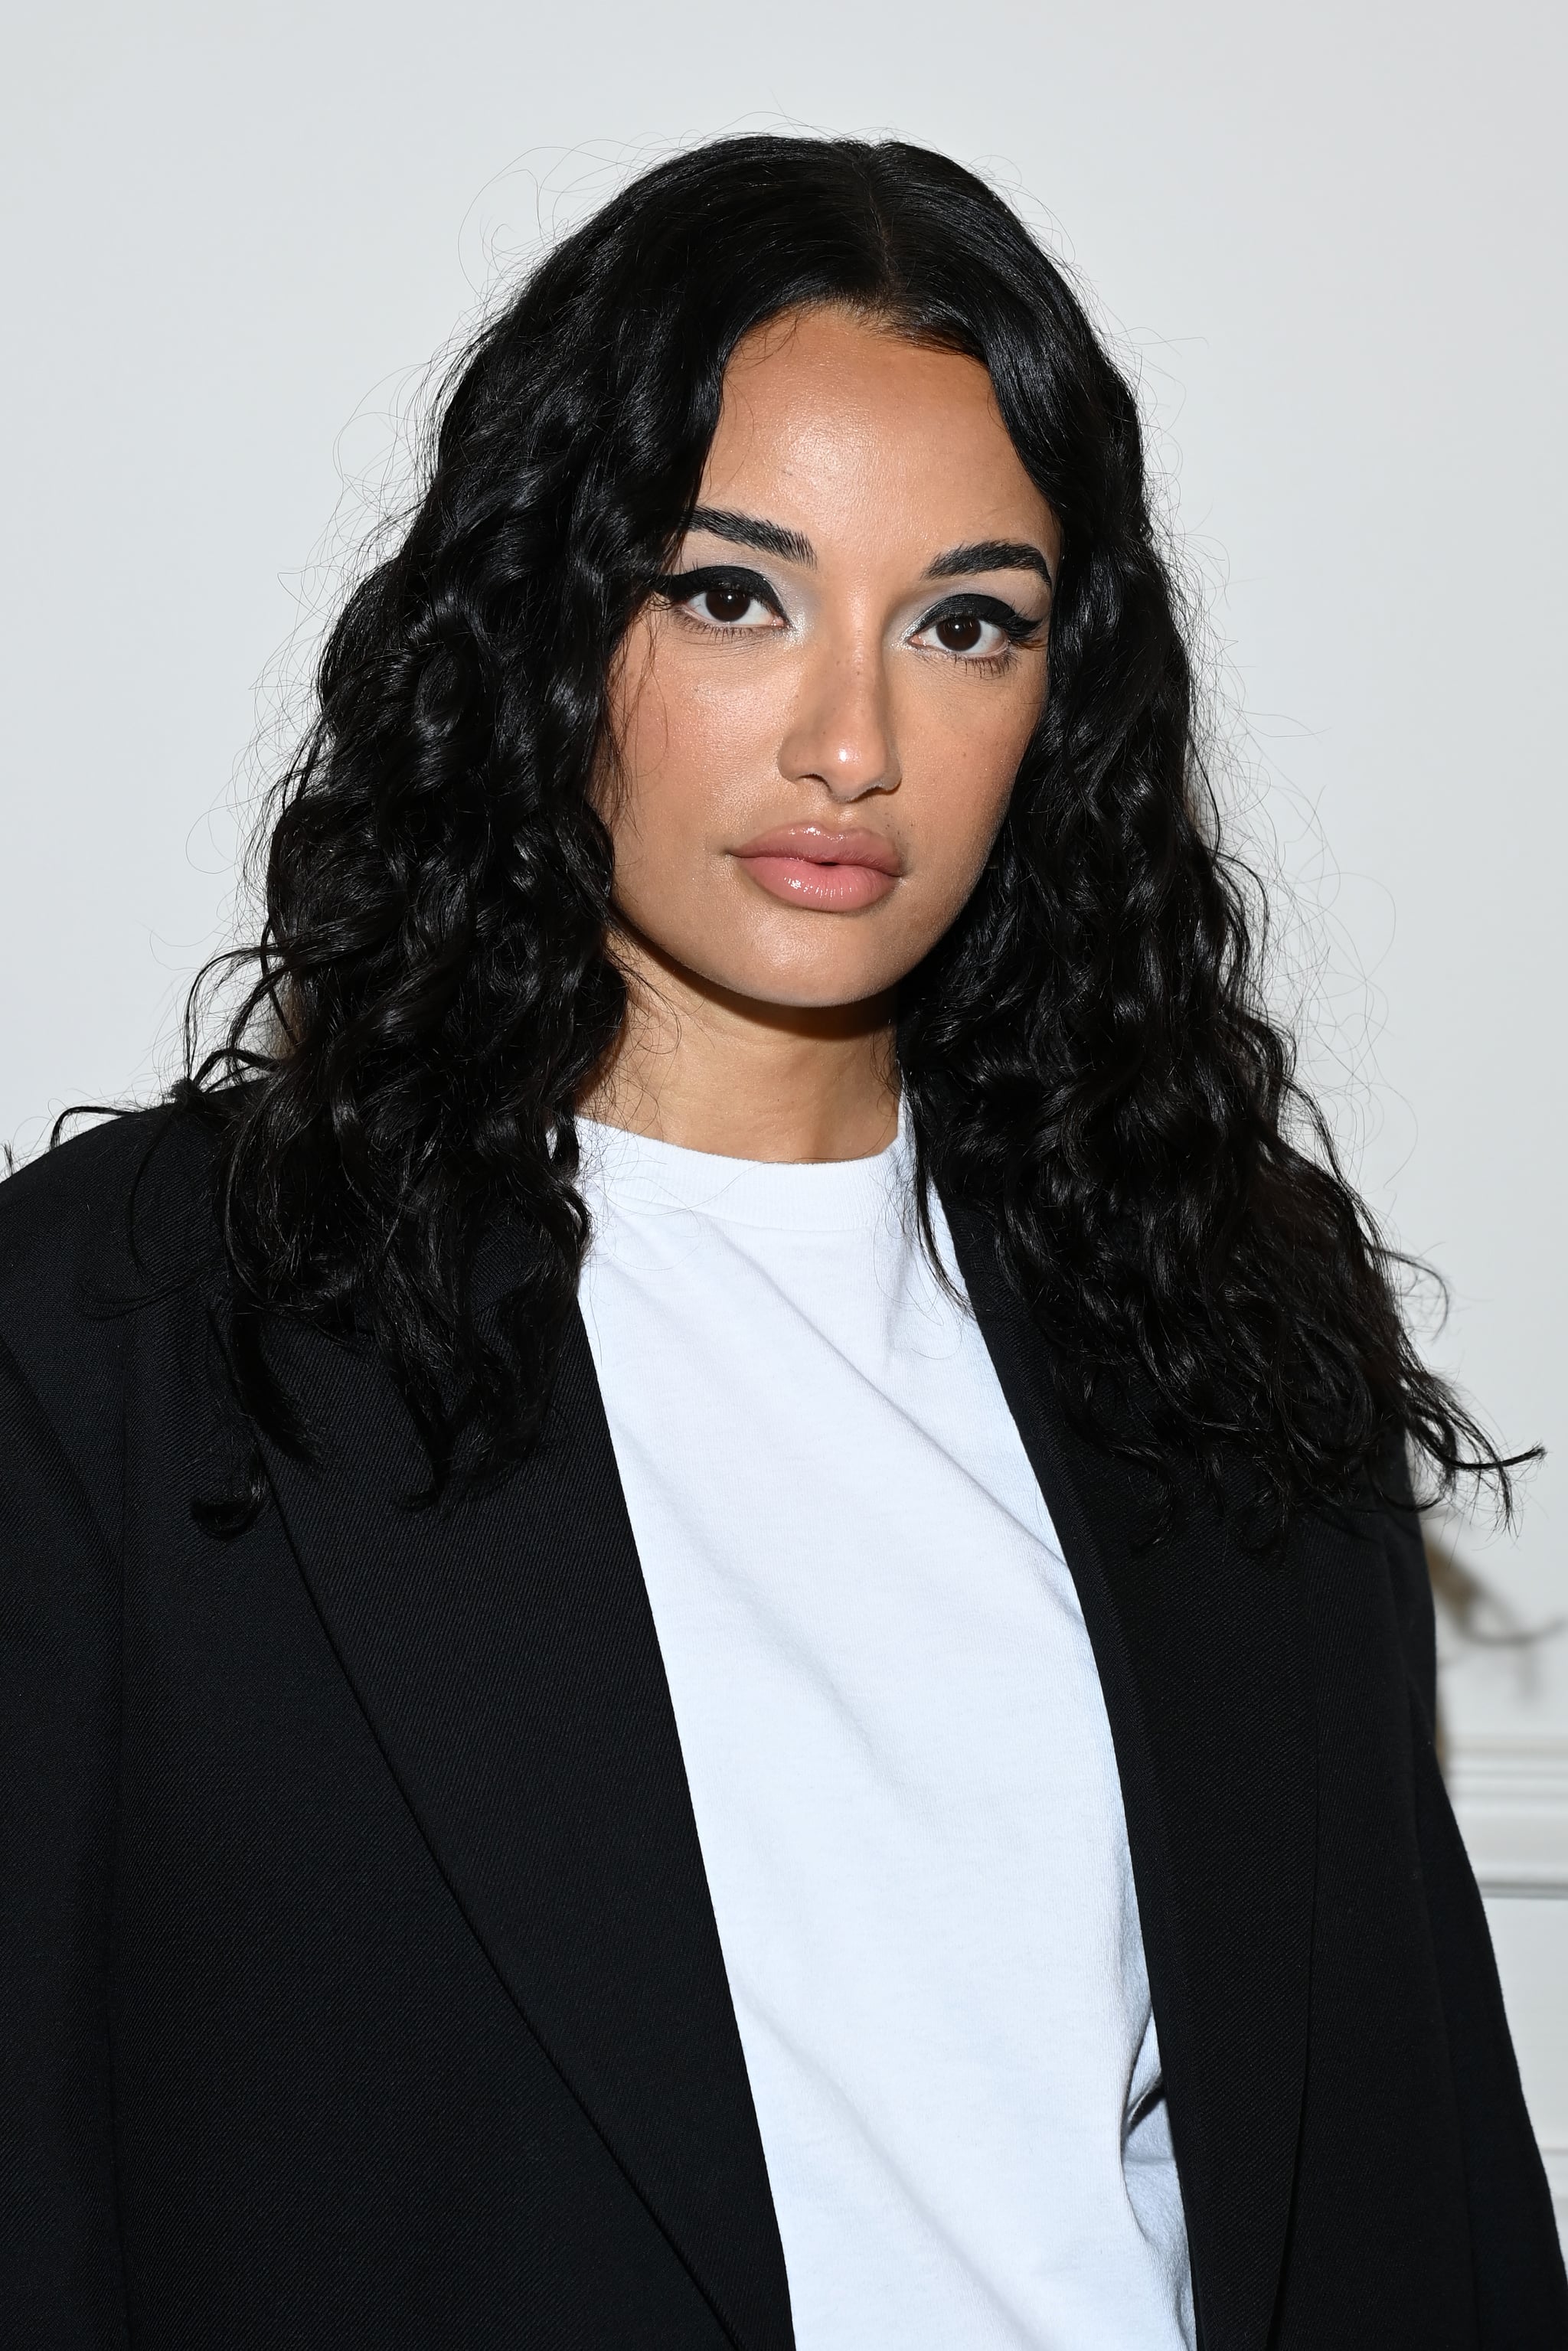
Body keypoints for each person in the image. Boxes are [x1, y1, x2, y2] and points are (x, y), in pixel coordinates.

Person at [2, 134, 1562, 2351]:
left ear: (1062, 696)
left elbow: (1420, 2202)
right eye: (733, 592)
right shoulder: (124, 1333)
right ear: (549, 611)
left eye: (966, 622)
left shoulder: (1218, 1320)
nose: (855, 740)